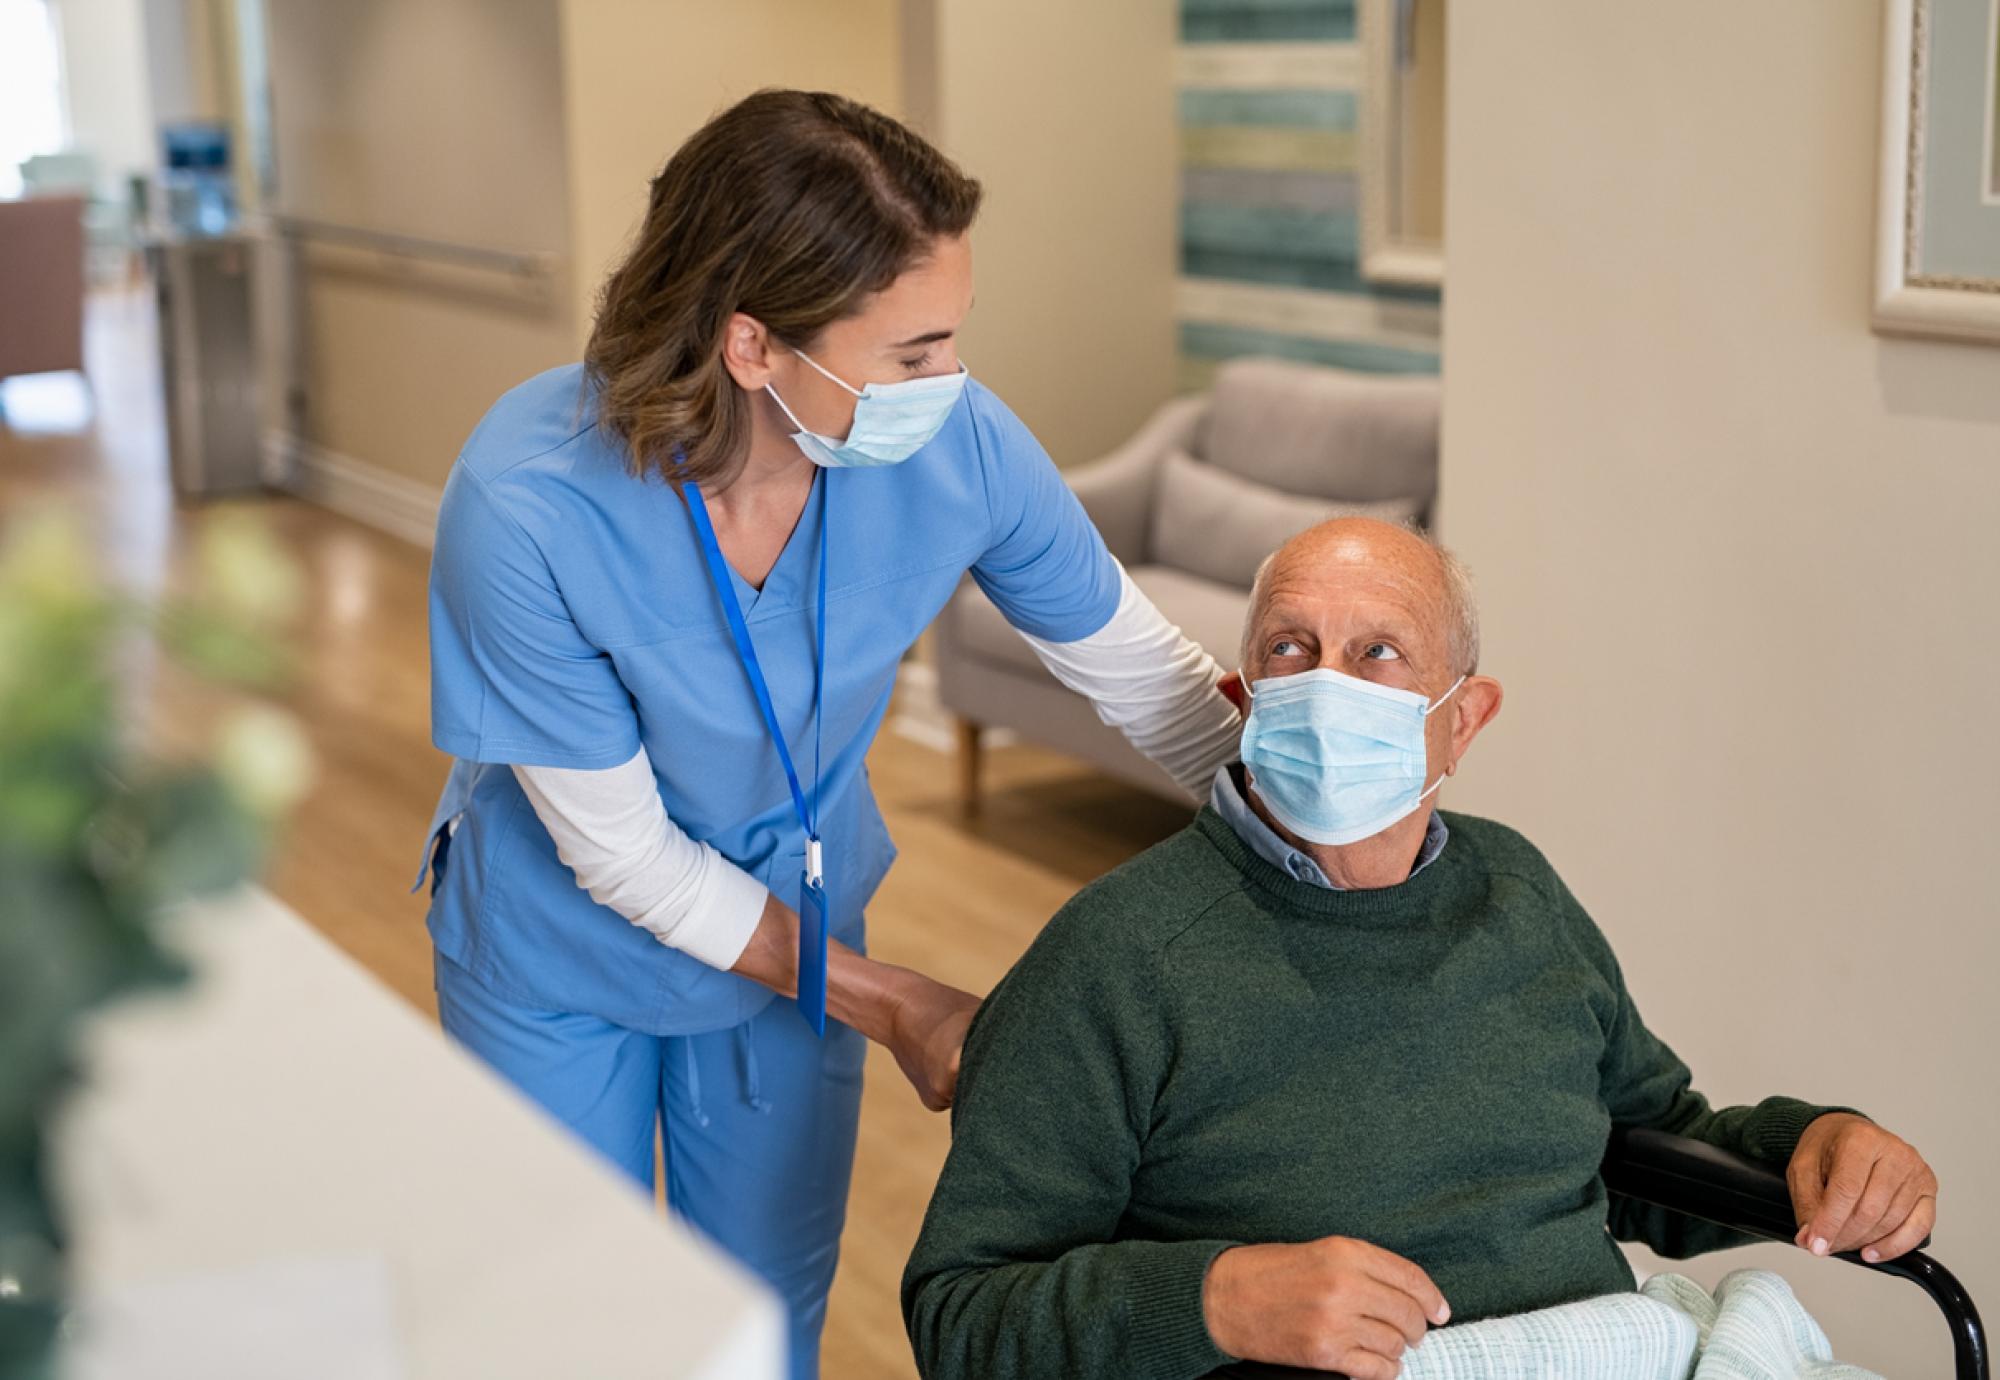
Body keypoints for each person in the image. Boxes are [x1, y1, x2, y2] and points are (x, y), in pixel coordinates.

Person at [412, 89, 1241, 1379]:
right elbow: (624, 862)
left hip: (790, 901)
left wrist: (1312, 828)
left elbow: (1149, 681)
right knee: (562, 1326)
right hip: (561, 943)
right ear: (753, 346)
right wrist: (889, 998)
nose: (947, 384)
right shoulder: (527, 505)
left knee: (760, 1318)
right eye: (911, 352)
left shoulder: (954, 443)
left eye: (953, 340)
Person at [901, 518, 1940, 1380]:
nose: (1326, 686)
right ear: (1242, 702)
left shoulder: (1517, 890)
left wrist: (1814, 1150)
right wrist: (1210, 1300)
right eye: (1288, 650)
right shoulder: (1115, 956)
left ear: (1463, 721)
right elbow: (960, 1313)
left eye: (1377, 653)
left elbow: (1644, 1145)